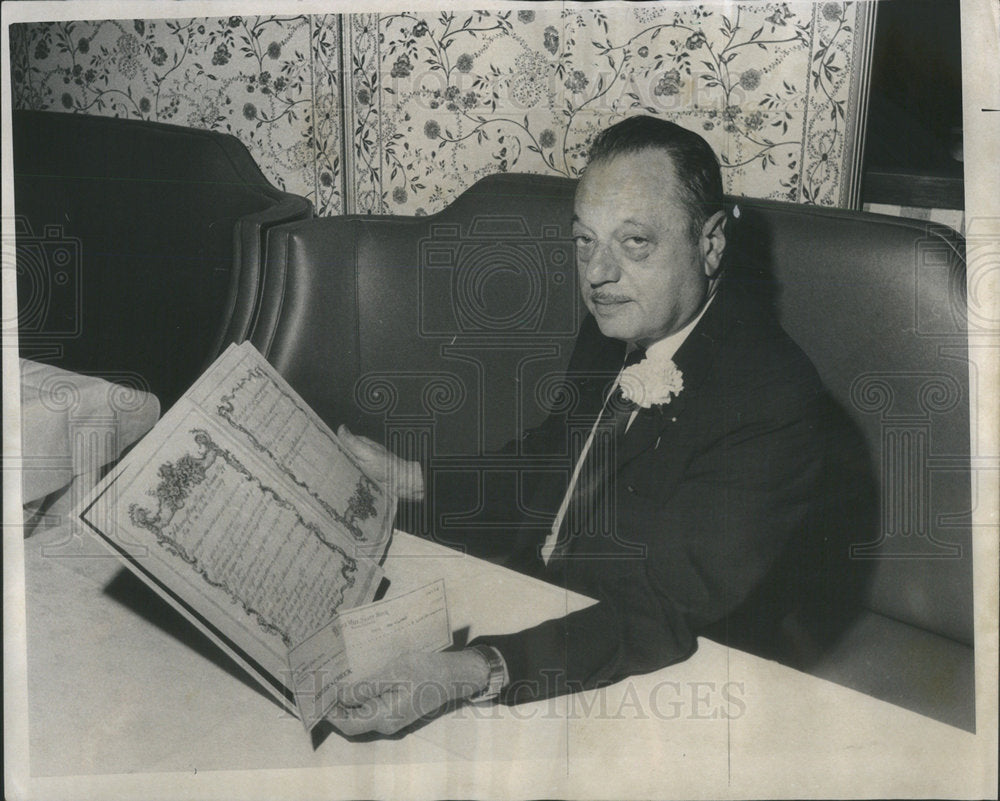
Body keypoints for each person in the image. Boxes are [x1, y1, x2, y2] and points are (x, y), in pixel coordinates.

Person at [327, 115, 849, 736]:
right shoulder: (625, 318)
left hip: (661, 686)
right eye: (584, 241)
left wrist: (472, 670)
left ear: (710, 244)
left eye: (635, 243)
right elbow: (553, 457)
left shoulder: (774, 399)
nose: (598, 274)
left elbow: (658, 613)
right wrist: (413, 481)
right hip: (551, 616)